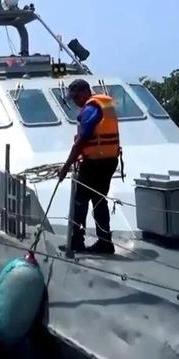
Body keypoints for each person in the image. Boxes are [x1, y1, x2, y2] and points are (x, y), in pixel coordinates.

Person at [58, 79, 120, 254]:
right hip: (109, 161)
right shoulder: (103, 105)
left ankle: (76, 241)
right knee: (99, 200)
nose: (75, 101)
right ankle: (105, 242)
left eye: (76, 97)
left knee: (80, 200)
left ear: (86, 92)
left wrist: (65, 167)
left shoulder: (91, 109)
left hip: (95, 164)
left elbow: (82, 140)